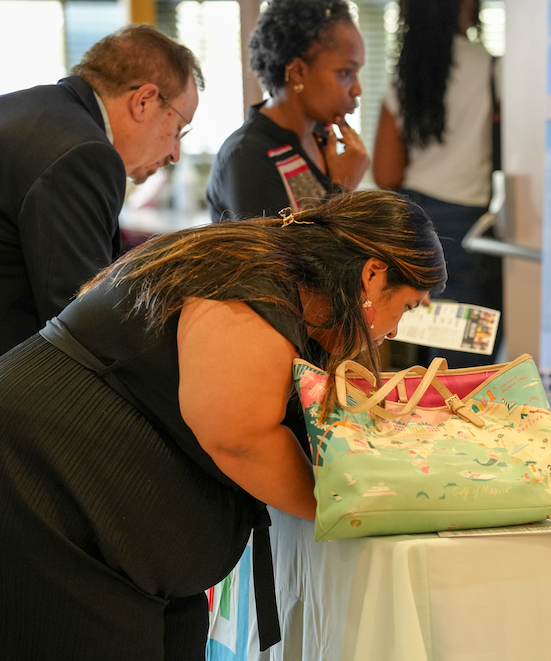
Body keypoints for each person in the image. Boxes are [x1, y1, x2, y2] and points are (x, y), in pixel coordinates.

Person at [0, 190, 446, 660]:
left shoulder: (285, 282)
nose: (396, 330)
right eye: (410, 304)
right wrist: (347, 508)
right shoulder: (252, 286)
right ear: (372, 275)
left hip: (116, 522)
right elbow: (239, 437)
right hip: (47, 482)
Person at [0, 24, 203, 355]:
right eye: (178, 128)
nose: (175, 154)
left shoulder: (33, 108)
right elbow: (81, 321)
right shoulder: (84, 152)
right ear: (144, 101)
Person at [372, 0, 504, 368]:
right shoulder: (490, 66)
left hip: (412, 220)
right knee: (464, 354)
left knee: (419, 339)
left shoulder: (406, 72)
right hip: (468, 222)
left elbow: (386, 172)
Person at [206, 0, 369, 222]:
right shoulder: (248, 155)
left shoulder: (323, 138)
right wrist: (341, 188)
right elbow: (278, 255)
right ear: (299, 71)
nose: (357, 89)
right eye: (345, 72)